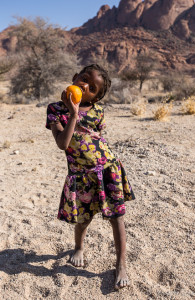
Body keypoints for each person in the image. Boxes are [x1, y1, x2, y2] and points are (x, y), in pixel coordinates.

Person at [46, 64, 135, 289]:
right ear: (75, 77)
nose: (85, 86)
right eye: (84, 79)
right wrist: (73, 114)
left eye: (92, 88)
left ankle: (121, 263)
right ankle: (79, 247)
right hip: (80, 175)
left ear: (95, 98)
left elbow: (98, 137)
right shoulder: (55, 110)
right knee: (83, 219)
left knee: (117, 217)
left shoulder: (97, 111)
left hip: (107, 170)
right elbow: (62, 144)